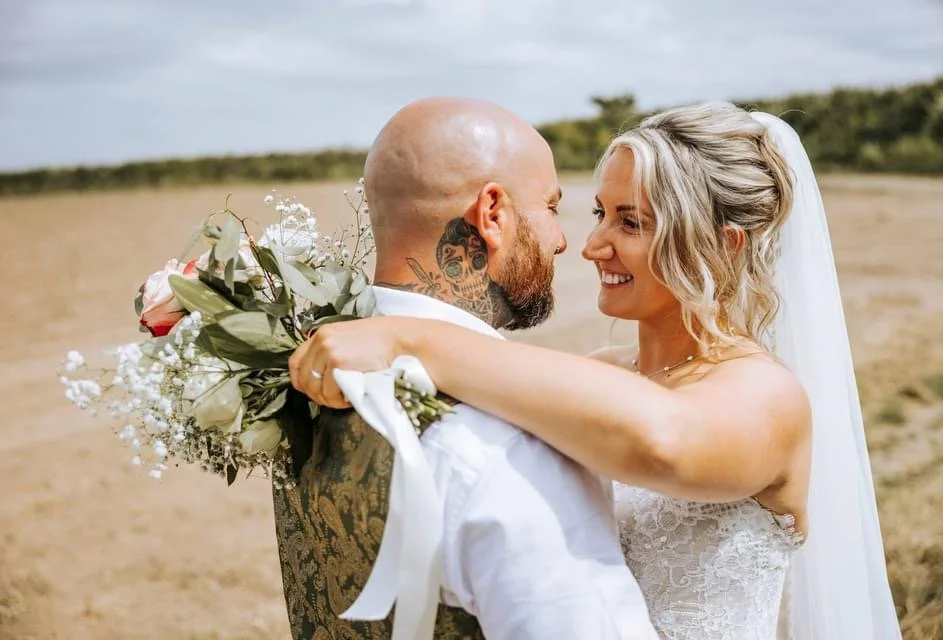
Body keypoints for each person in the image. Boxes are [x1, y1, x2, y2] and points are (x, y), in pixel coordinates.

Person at [294, 101, 903, 639]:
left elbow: (663, 443)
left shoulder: (768, 394)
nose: (591, 246)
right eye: (599, 213)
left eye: (631, 222)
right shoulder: (601, 373)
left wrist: (410, 336)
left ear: (723, 246)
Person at [280, 97, 660, 639]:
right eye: (550, 207)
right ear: (493, 213)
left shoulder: (299, 376)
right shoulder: (514, 452)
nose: (561, 241)